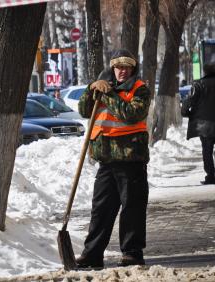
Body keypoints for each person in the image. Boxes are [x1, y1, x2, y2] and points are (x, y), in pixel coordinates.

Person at [76, 49, 151, 268]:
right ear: (113, 68)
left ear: (132, 69)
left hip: (131, 161)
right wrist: (91, 89)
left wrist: (108, 94)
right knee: (101, 209)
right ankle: (92, 254)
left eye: (126, 67)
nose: (122, 71)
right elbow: (83, 110)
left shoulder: (140, 89)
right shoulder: (103, 87)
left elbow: (130, 114)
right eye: (118, 67)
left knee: (132, 209)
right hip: (107, 161)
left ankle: (132, 253)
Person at [181, 62, 215, 185]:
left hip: (204, 125)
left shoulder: (199, 84)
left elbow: (188, 101)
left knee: (207, 151)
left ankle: (211, 176)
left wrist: (185, 113)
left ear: (205, 72)